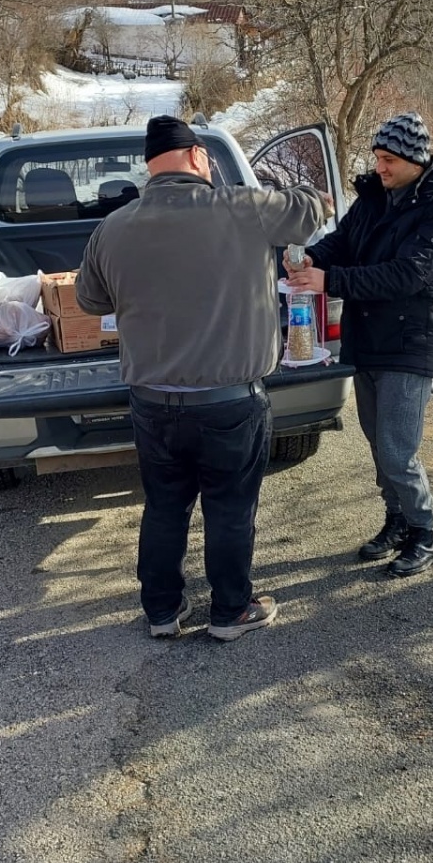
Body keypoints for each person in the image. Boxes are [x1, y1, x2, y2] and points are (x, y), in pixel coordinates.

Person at [76, 114, 330, 641]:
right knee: (230, 508)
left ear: (150, 168)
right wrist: (297, 176)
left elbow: (90, 300)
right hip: (230, 403)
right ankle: (230, 611)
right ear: (198, 157)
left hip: (152, 403)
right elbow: (311, 212)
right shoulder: (246, 210)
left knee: (165, 506)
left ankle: (162, 613)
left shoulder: (112, 228)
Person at [285, 112, 433, 578]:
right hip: (366, 340)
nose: (379, 167)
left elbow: (409, 275)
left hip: (409, 343)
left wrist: (331, 279)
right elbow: (342, 242)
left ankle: (425, 533)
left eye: (388, 160)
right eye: (377, 158)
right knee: (377, 444)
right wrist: (307, 257)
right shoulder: (373, 200)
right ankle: (397, 521)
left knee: (397, 450)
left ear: (413, 160)